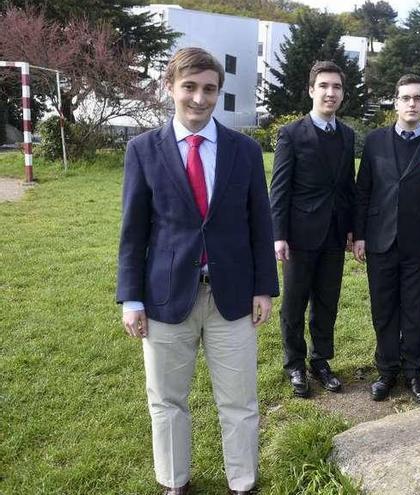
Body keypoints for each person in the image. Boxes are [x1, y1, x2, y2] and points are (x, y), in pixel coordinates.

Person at [116, 47, 277, 494]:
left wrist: (264, 287)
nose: (199, 98)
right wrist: (131, 298)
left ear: (218, 93)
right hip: (166, 297)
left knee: (240, 401)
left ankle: (242, 482)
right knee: (167, 400)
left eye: (209, 89)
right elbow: (133, 231)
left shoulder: (244, 151)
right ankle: (174, 481)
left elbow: (260, 223)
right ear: (170, 88)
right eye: (190, 87)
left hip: (232, 296)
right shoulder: (143, 151)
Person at [353, 74, 420, 405]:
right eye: (406, 98)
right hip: (380, 241)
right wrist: (360, 236)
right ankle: (386, 370)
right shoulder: (375, 141)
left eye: (418, 98)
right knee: (384, 309)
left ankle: (414, 373)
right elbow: (363, 192)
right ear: (395, 102)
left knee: (416, 310)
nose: (412, 104)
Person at [269, 61, 356, 398]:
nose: (330, 92)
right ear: (311, 90)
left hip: (334, 235)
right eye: (324, 86)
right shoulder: (291, 134)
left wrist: (350, 228)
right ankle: (295, 364)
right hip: (298, 235)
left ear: (342, 93)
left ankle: (321, 361)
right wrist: (278, 234)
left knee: (327, 301)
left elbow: (347, 186)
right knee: (294, 303)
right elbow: (279, 189)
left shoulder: (347, 135)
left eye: (336, 87)